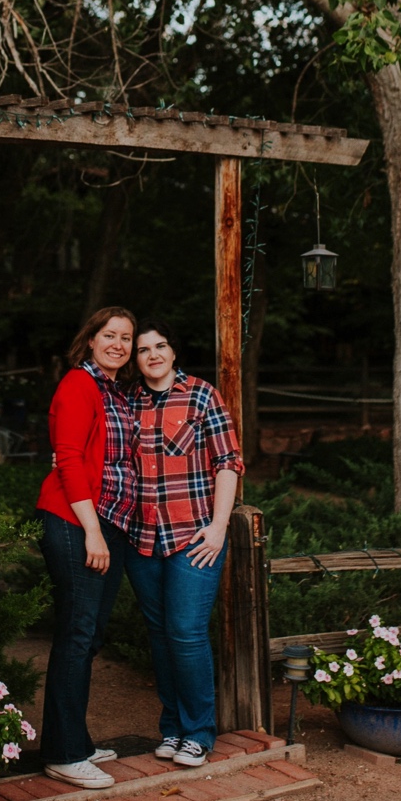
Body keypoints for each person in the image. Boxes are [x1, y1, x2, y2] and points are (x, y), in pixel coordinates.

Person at [125, 318, 244, 768]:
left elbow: (228, 463)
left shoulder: (201, 395)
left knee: (187, 634)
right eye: (143, 349)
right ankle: (172, 728)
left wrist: (219, 526)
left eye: (161, 346)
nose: (153, 355)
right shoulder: (128, 402)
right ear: (135, 360)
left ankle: (198, 732)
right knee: (160, 637)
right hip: (142, 540)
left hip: (194, 538)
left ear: (174, 352)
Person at [35, 307, 138, 790]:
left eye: (126, 338)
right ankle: (63, 753)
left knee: (90, 635)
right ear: (91, 340)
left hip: (108, 525)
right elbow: (70, 461)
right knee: (77, 634)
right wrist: (92, 531)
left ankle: (73, 736)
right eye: (109, 335)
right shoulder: (79, 384)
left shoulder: (115, 391)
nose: (118, 343)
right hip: (77, 523)